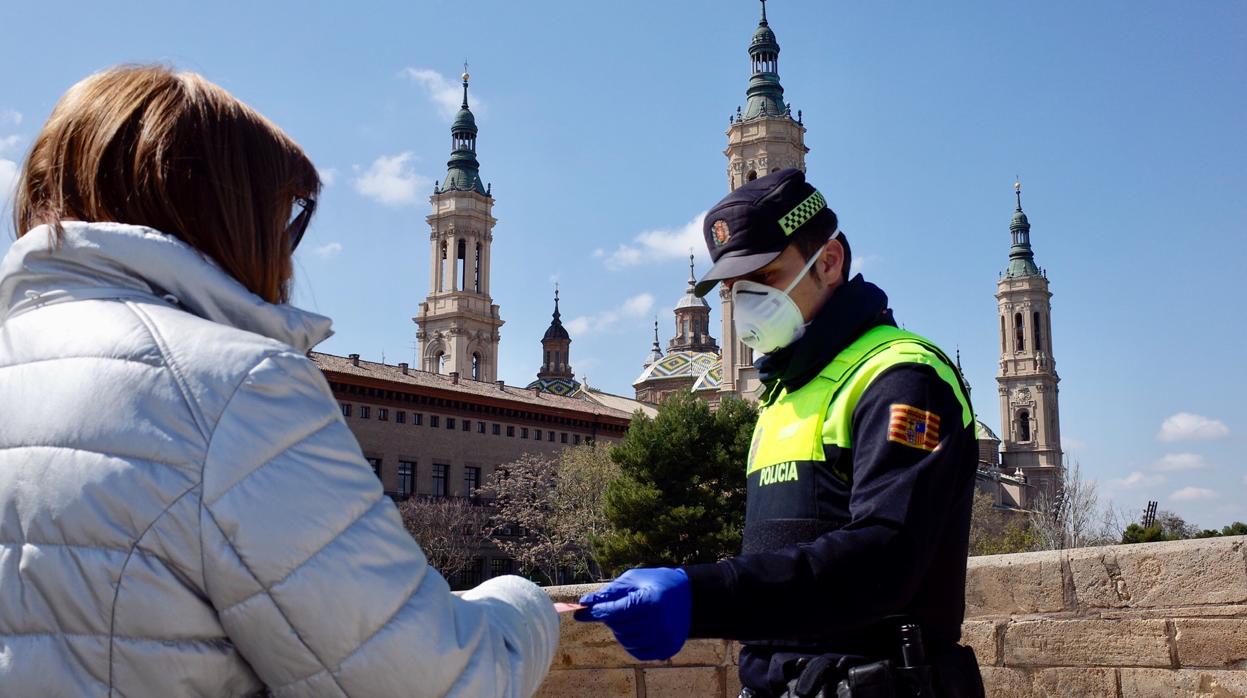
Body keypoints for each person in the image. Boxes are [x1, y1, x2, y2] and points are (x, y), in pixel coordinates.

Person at [0, 65, 557, 697]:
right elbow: (437, 682)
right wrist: (525, 601)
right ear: (224, 214)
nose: (288, 252)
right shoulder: (237, 389)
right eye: (288, 219)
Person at [576, 169, 985, 697]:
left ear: (829, 262)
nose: (745, 304)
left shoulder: (902, 378)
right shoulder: (783, 394)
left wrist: (701, 596)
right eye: (733, 290)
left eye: (762, 280)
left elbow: (884, 558)